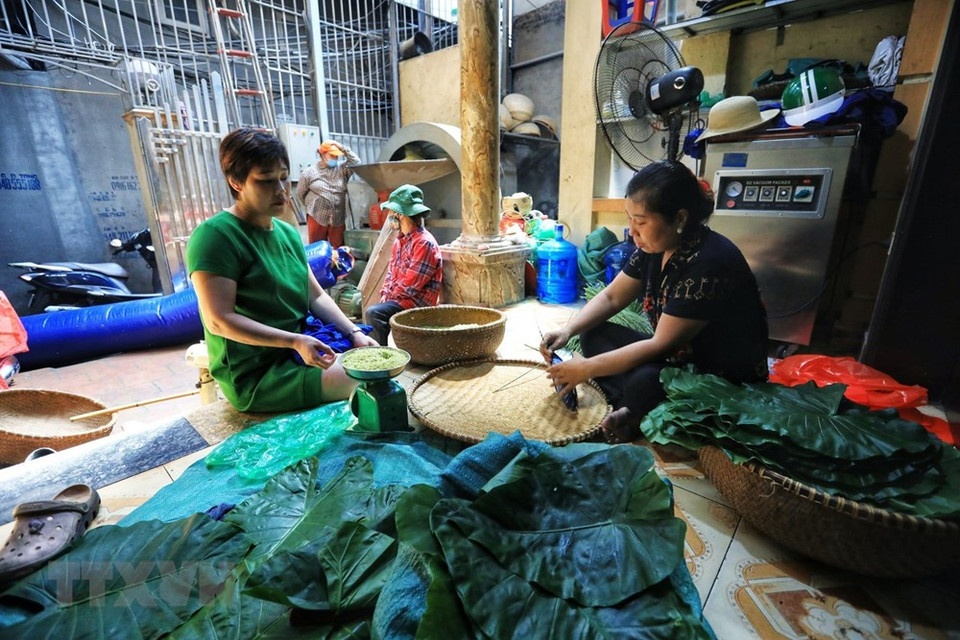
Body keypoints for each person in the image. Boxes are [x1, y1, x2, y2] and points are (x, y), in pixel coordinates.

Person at [541, 160, 768, 443]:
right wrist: (567, 331)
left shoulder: (710, 263)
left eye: (641, 222)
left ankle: (632, 410)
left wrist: (587, 368)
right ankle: (634, 407)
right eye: (629, 219)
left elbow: (659, 344)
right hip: (677, 356)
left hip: (718, 377)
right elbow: (611, 297)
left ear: (680, 219)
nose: (632, 231)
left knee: (644, 382)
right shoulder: (654, 247)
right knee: (592, 334)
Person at [186, 128, 378, 413]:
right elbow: (219, 321)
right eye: (266, 180)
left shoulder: (287, 233)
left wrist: (353, 333)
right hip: (260, 373)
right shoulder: (215, 237)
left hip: (300, 349)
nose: (281, 189)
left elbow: (316, 296)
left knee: (376, 361)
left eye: (284, 177)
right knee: (368, 381)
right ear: (236, 182)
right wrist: (294, 341)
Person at [363, 184, 443, 345]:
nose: (390, 216)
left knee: (374, 313)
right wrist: (385, 294)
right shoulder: (399, 241)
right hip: (400, 299)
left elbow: (410, 287)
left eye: (392, 212)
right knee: (374, 311)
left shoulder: (424, 243)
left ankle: (382, 356)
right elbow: (391, 273)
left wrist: (389, 297)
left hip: (416, 303)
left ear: (402, 215)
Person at [295, 139, 361, 248]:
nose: (335, 158)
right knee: (317, 248)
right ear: (323, 154)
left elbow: (356, 162)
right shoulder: (309, 172)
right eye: (332, 155)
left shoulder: (342, 169)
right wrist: (313, 204)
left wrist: (342, 147)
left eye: (336, 156)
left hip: (337, 217)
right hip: (316, 216)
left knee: (338, 249)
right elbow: (300, 193)